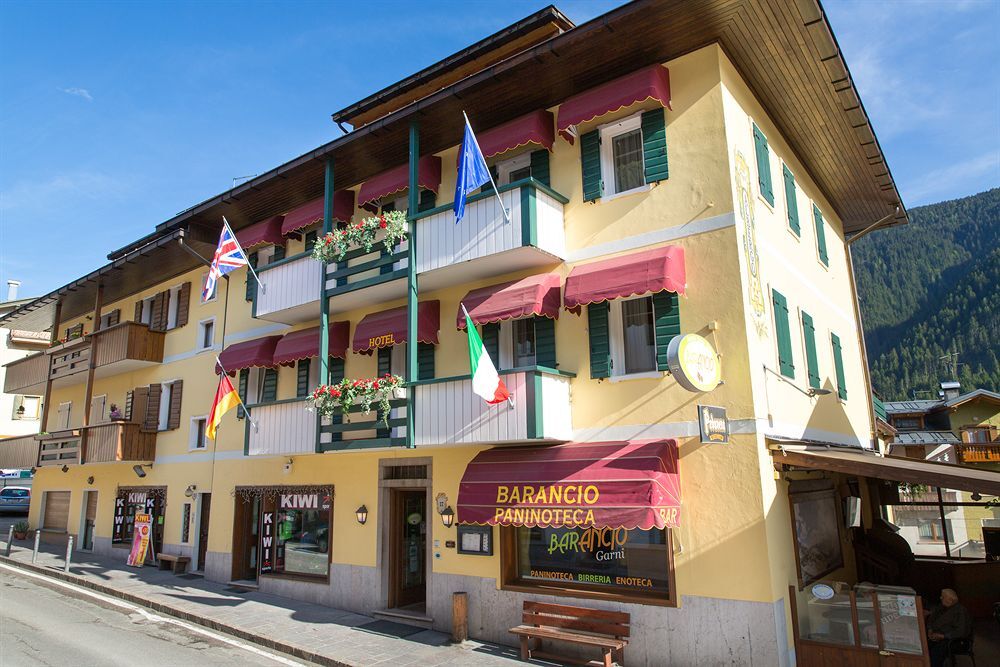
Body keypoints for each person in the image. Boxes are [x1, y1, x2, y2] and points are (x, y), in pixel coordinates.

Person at [926, 588, 972, 667]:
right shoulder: (941, 607)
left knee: (937, 651)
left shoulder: (960, 611)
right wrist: (930, 630)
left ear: (950, 600)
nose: (940, 598)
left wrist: (943, 636)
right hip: (937, 636)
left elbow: (961, 631)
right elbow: (931, 619)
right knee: (924, 646)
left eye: (943, 597)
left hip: (955, 640)